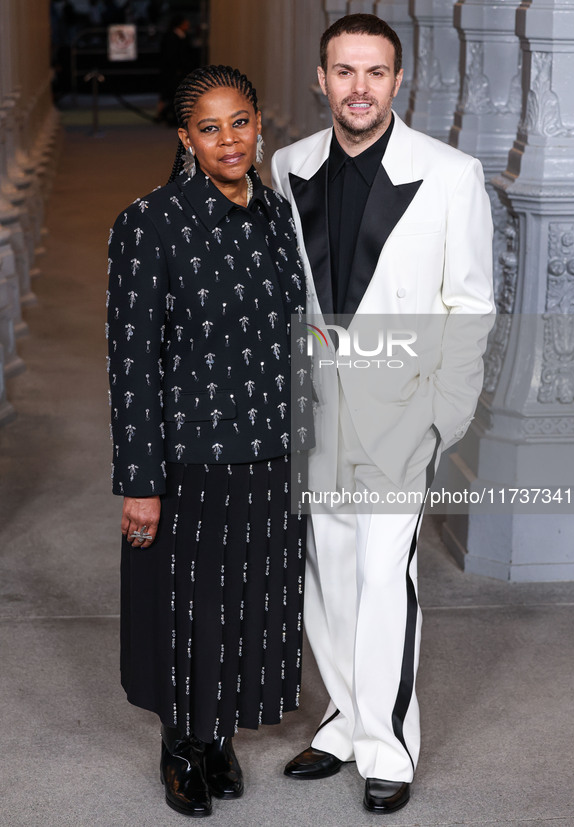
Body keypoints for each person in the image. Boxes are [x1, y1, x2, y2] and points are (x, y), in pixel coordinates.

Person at [271, 13, 495, 815]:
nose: (357, 87)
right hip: (316, 410)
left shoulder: (450, 172)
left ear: (398, 82)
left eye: (374, 72)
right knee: (326, 576)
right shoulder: (288, 163)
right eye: (343, 71)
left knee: (380, 575)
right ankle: (340, 720)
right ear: (320, 79)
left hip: (402, 412)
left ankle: (388, 744)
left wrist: (443, 417)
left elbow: (468, 304)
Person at [107, 65, 309, 818]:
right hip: (189, 455)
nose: (229, 140)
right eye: (210, 127)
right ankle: (181, 745)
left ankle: (218, 731)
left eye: (241, 123)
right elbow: (131, 361)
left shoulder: (276, 214)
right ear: (186, 138)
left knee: (251, 601)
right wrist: (140, 478)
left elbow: (300, 336)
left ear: (260, 125)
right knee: (186, 607)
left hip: (272, 446)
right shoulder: (149, 222)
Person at [156, 14, 194, 126]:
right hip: (173, 72)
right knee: (172, 94)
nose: (188, 25)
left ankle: (171, 116)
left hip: (180, 71)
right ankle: (169, 116)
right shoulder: (171, 37)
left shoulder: (184, 36)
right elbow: (170, 56)